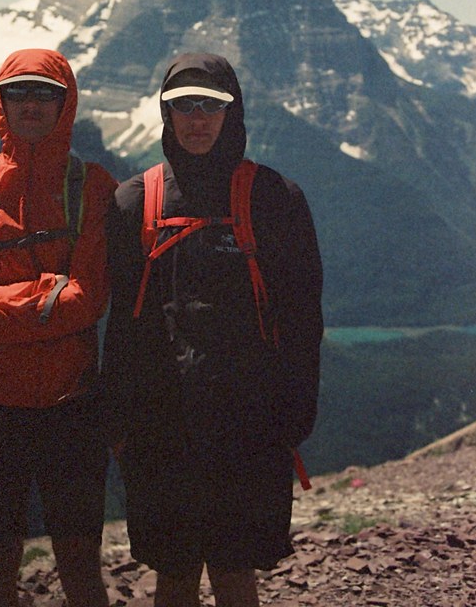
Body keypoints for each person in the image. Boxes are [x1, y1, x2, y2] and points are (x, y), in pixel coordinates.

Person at [102, 52, 324, 607]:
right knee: (176, 571)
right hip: (161, 425)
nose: (197, 118)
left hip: (248, 425)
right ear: (166, 112)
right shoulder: (132, 203)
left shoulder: (276, 200)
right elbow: (122, 324)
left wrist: (295, 413)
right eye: (184, 105)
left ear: (232, 111)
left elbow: (302, 317)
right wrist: (117, 417)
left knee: (232, 569)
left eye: (211, 104)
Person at [0, 48, 116, 607]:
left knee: (81, 566)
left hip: (69, 401)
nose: (31, 104)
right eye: (18, 92)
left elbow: (89, 300)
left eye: (45, 93)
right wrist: (51, 292)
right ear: (2, 103)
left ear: (66, 103)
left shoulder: (94, 188)